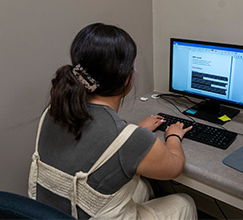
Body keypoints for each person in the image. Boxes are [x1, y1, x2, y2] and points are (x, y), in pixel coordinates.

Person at [28, 23, 197, 219]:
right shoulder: (131, 139)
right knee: (184, 203)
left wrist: (135, 131)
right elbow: (174, 168)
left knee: (141, 187)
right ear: (127, 78)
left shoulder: (53, 112)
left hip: (55, 212)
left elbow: (99, 143)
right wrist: (174, 136)